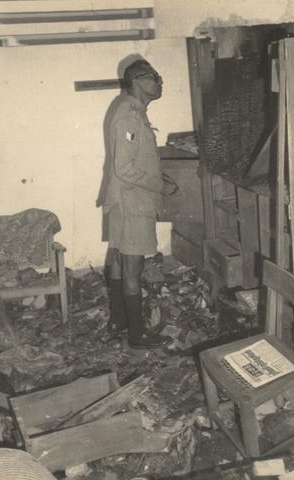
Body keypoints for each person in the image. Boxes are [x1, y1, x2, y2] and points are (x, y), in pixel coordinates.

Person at [97, 59, 178, 348]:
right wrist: (161, 186)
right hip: (132, 203)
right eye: (155, 77)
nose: (160, 82)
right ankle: (136, 335)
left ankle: (119, 321)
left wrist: (157, 176)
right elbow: (124, 168)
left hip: (125, 200)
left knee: (121, 262)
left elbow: (132, 160)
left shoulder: (130, 112)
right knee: (133, 269)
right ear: (139, 81)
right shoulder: (130, 117)